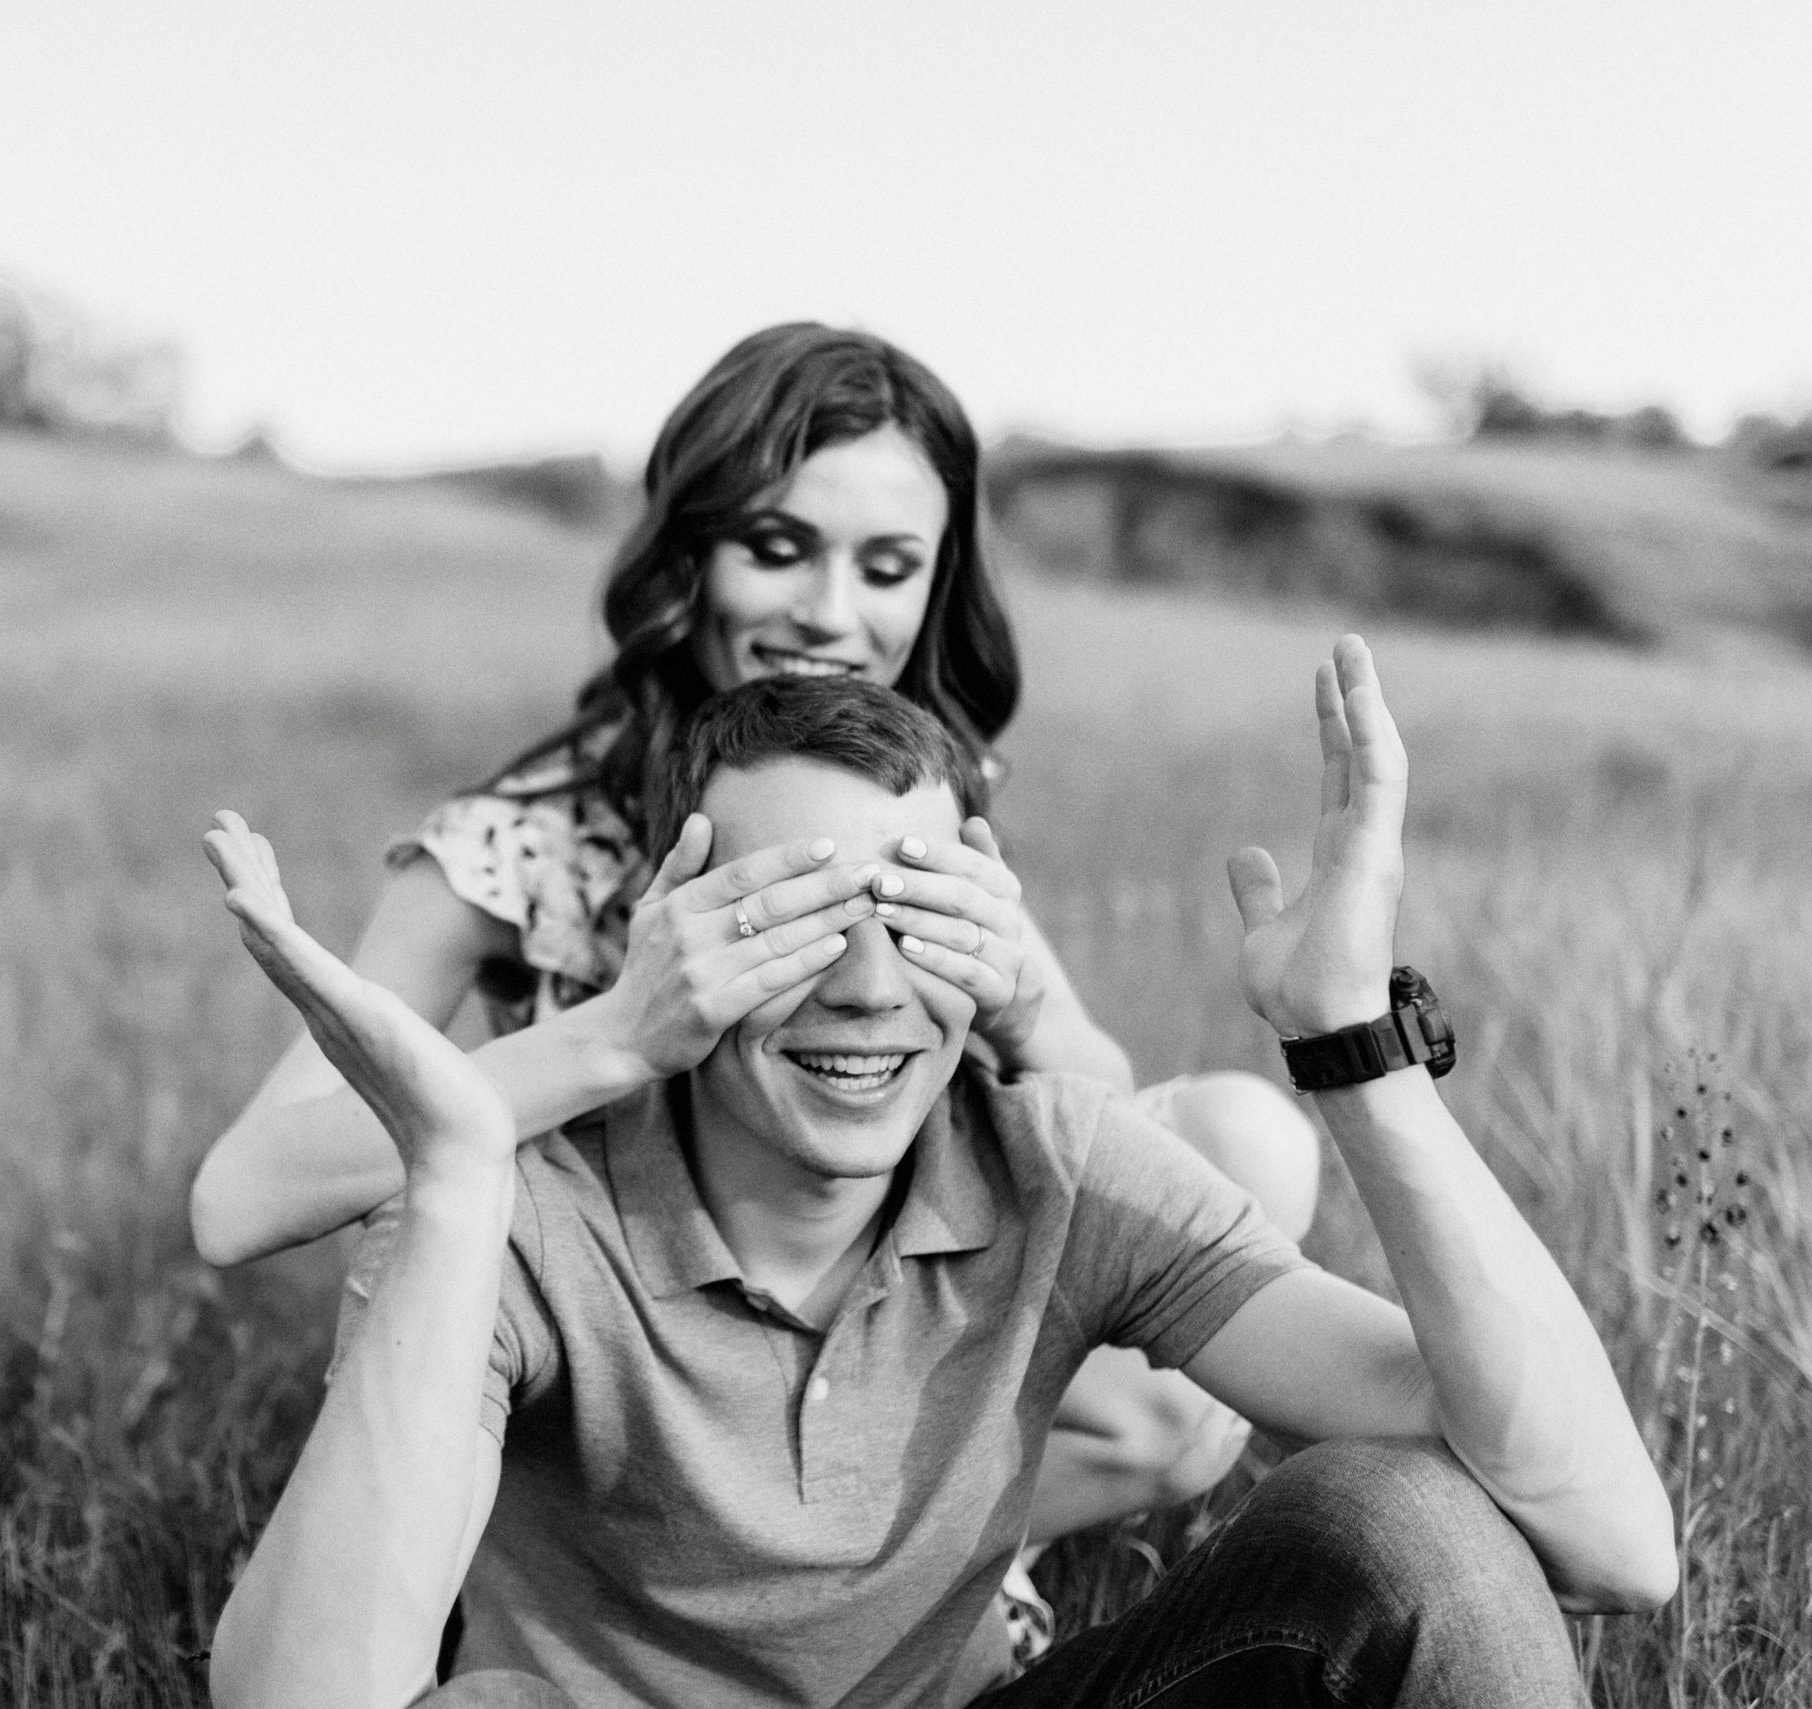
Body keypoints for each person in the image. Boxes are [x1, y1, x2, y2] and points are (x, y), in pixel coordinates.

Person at [200, 650, 1675, 1708]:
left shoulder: (1057, 1165)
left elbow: (1607, 1543)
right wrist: (458, 1172)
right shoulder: (516, 1213)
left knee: (1407, 1527)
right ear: (670, 928)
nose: (862, 989)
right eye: (790, 918)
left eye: (911, 915)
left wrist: (1358, 1049)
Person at [189, 326, 1320, 1599]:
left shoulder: (914, 796)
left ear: (934, 585)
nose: (831, 614)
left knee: (1239, 1158)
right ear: (690, 552)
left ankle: (908, 1587)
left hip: (880, 1352)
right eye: (776, 548)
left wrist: (1011, 997)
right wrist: (613, 1034)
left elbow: (1099, 1118)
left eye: (887, 565)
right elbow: (238, 1201)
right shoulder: (526, 841)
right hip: (614, 1413)